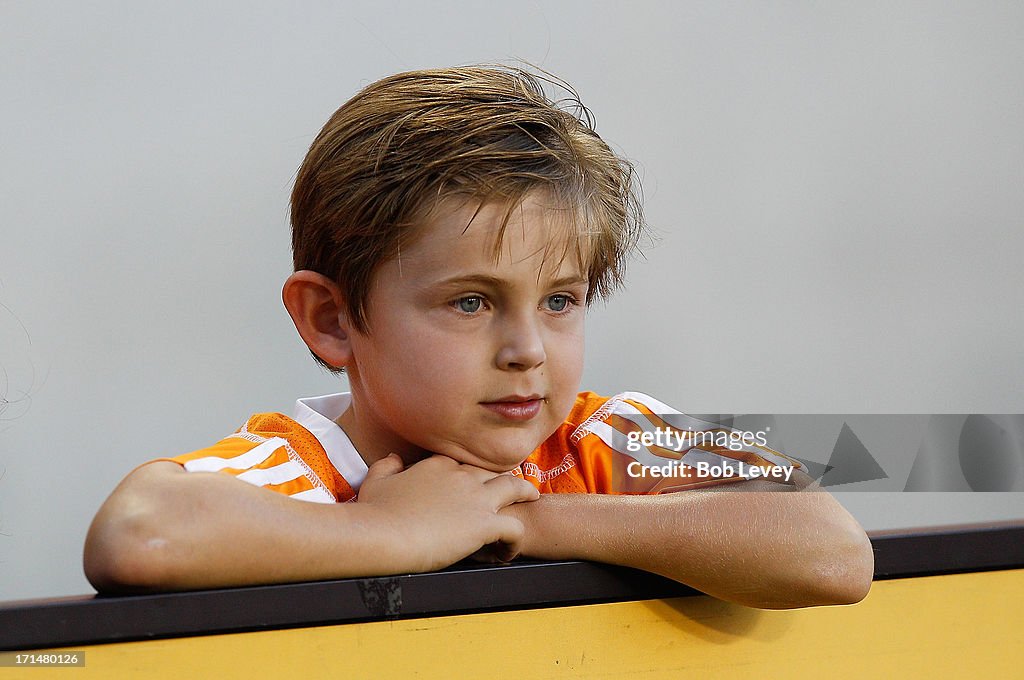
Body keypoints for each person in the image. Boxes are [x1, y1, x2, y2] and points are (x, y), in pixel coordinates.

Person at [83, 65, 873, 609]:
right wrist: (387, 529)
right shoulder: (299, 470)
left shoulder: (593, 441)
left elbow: (828, 549)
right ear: (331, 321)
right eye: (470, 303)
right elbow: (138, 534)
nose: (527, 348)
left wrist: (518, 521)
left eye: (561, 300)